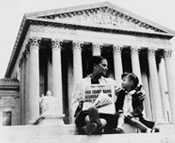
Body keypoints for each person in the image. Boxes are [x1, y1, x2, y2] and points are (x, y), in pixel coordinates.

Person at [72, 56, 120, 135]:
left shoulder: (110, 82)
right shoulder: (81, 83)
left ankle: (93, 126)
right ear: (95, 66)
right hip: (86, 113)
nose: (106, 68)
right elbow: (74, 101)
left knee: (107, 118)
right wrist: (80, 105)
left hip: (105, 113)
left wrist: (140, 92)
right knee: (86, 116)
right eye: (104, 65)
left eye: (106, 66)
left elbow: (125, 90)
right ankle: (96, 124)